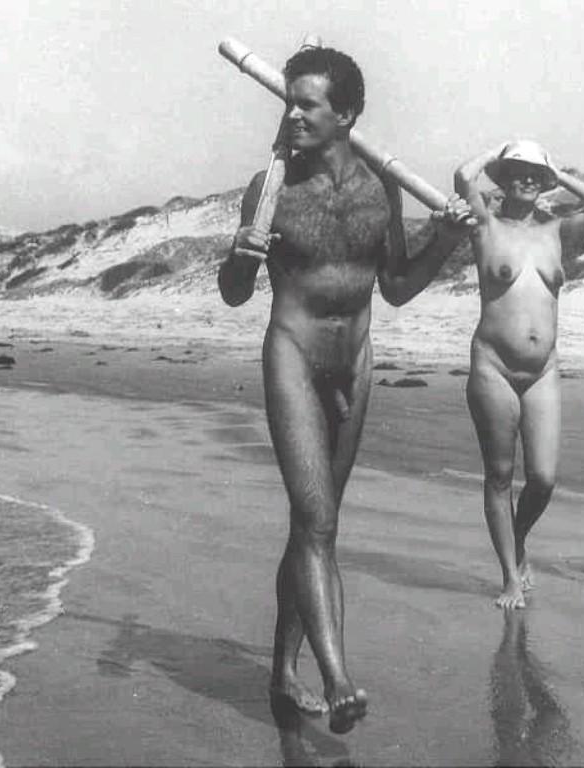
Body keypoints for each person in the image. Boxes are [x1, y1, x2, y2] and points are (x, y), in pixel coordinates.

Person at [218, 47, 472, 734]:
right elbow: (235, 294)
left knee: (314, 525)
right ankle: (336, 679)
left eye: (308, 105)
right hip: (293, 356)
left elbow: (397, 287)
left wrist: (446, 240)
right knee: (317, 522)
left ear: (347, 114)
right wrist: (238, 255)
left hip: (355, 363)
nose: (292, 115)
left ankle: (283, 672)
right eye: (288, 102)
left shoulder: (380, 187)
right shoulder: (270, 187)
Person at [454, 140, 584, 610]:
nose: (525, 178)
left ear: (544, 181)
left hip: (543, 371)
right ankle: (509, 577)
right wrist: (499, 153)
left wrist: (555, 172)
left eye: (534, 173)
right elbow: (463, 176)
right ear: (502, 177)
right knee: (500, 476)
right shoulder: (485, 223)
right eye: (516, 171)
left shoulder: (556, 230)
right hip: (493, 367)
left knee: (543, 478)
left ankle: (517, 540)